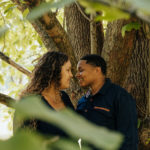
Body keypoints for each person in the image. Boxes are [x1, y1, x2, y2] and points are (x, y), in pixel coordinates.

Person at [76, 54, 138, 150]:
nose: (77, 75)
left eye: (81, 70)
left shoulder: (120, 96)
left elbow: (129, 139)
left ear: (97, 70)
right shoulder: (82, 102)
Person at [20, 51, 74, 136]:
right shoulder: (30, 102)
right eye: (68, 70)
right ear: (55, 71)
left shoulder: (64, 97)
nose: (71, 75)